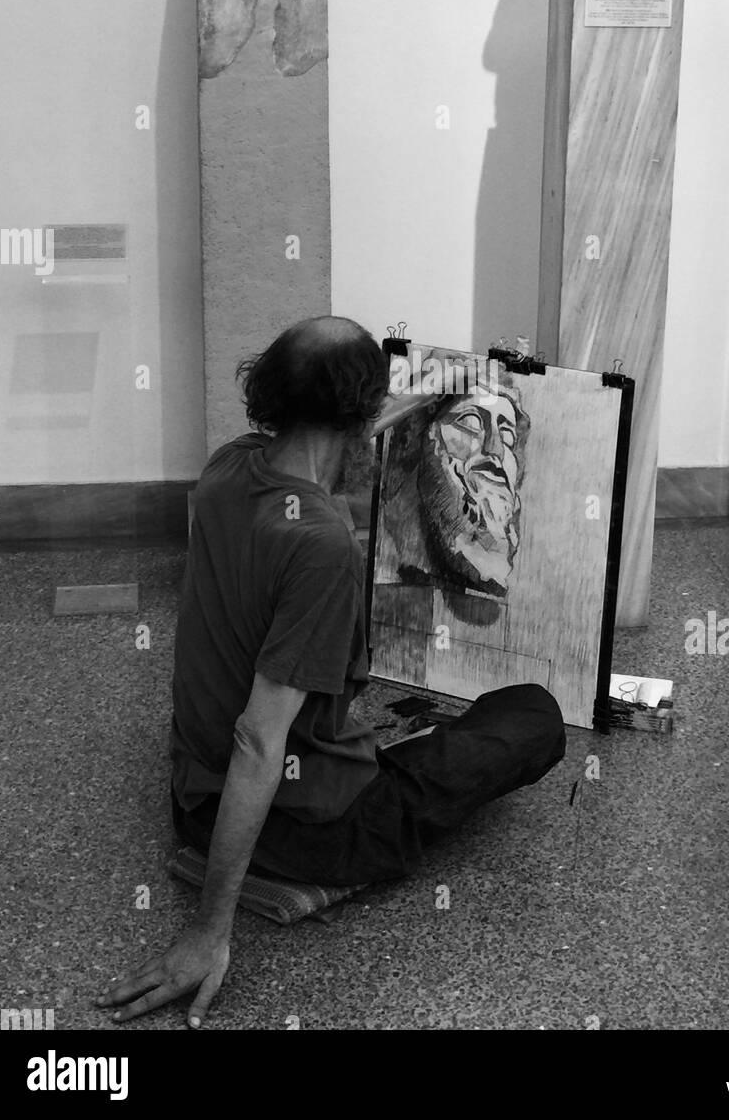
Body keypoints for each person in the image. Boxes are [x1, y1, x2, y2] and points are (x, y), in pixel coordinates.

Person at [97, 316, 565, 1027]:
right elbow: (259, 742)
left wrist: (419, 394)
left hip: (191, 793)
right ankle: (312, 829)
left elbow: (328, 436)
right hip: (303, 824)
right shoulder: (324, 547)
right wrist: (208, 931)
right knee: (534, 715)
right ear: (356, 414)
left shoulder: (228, 467)